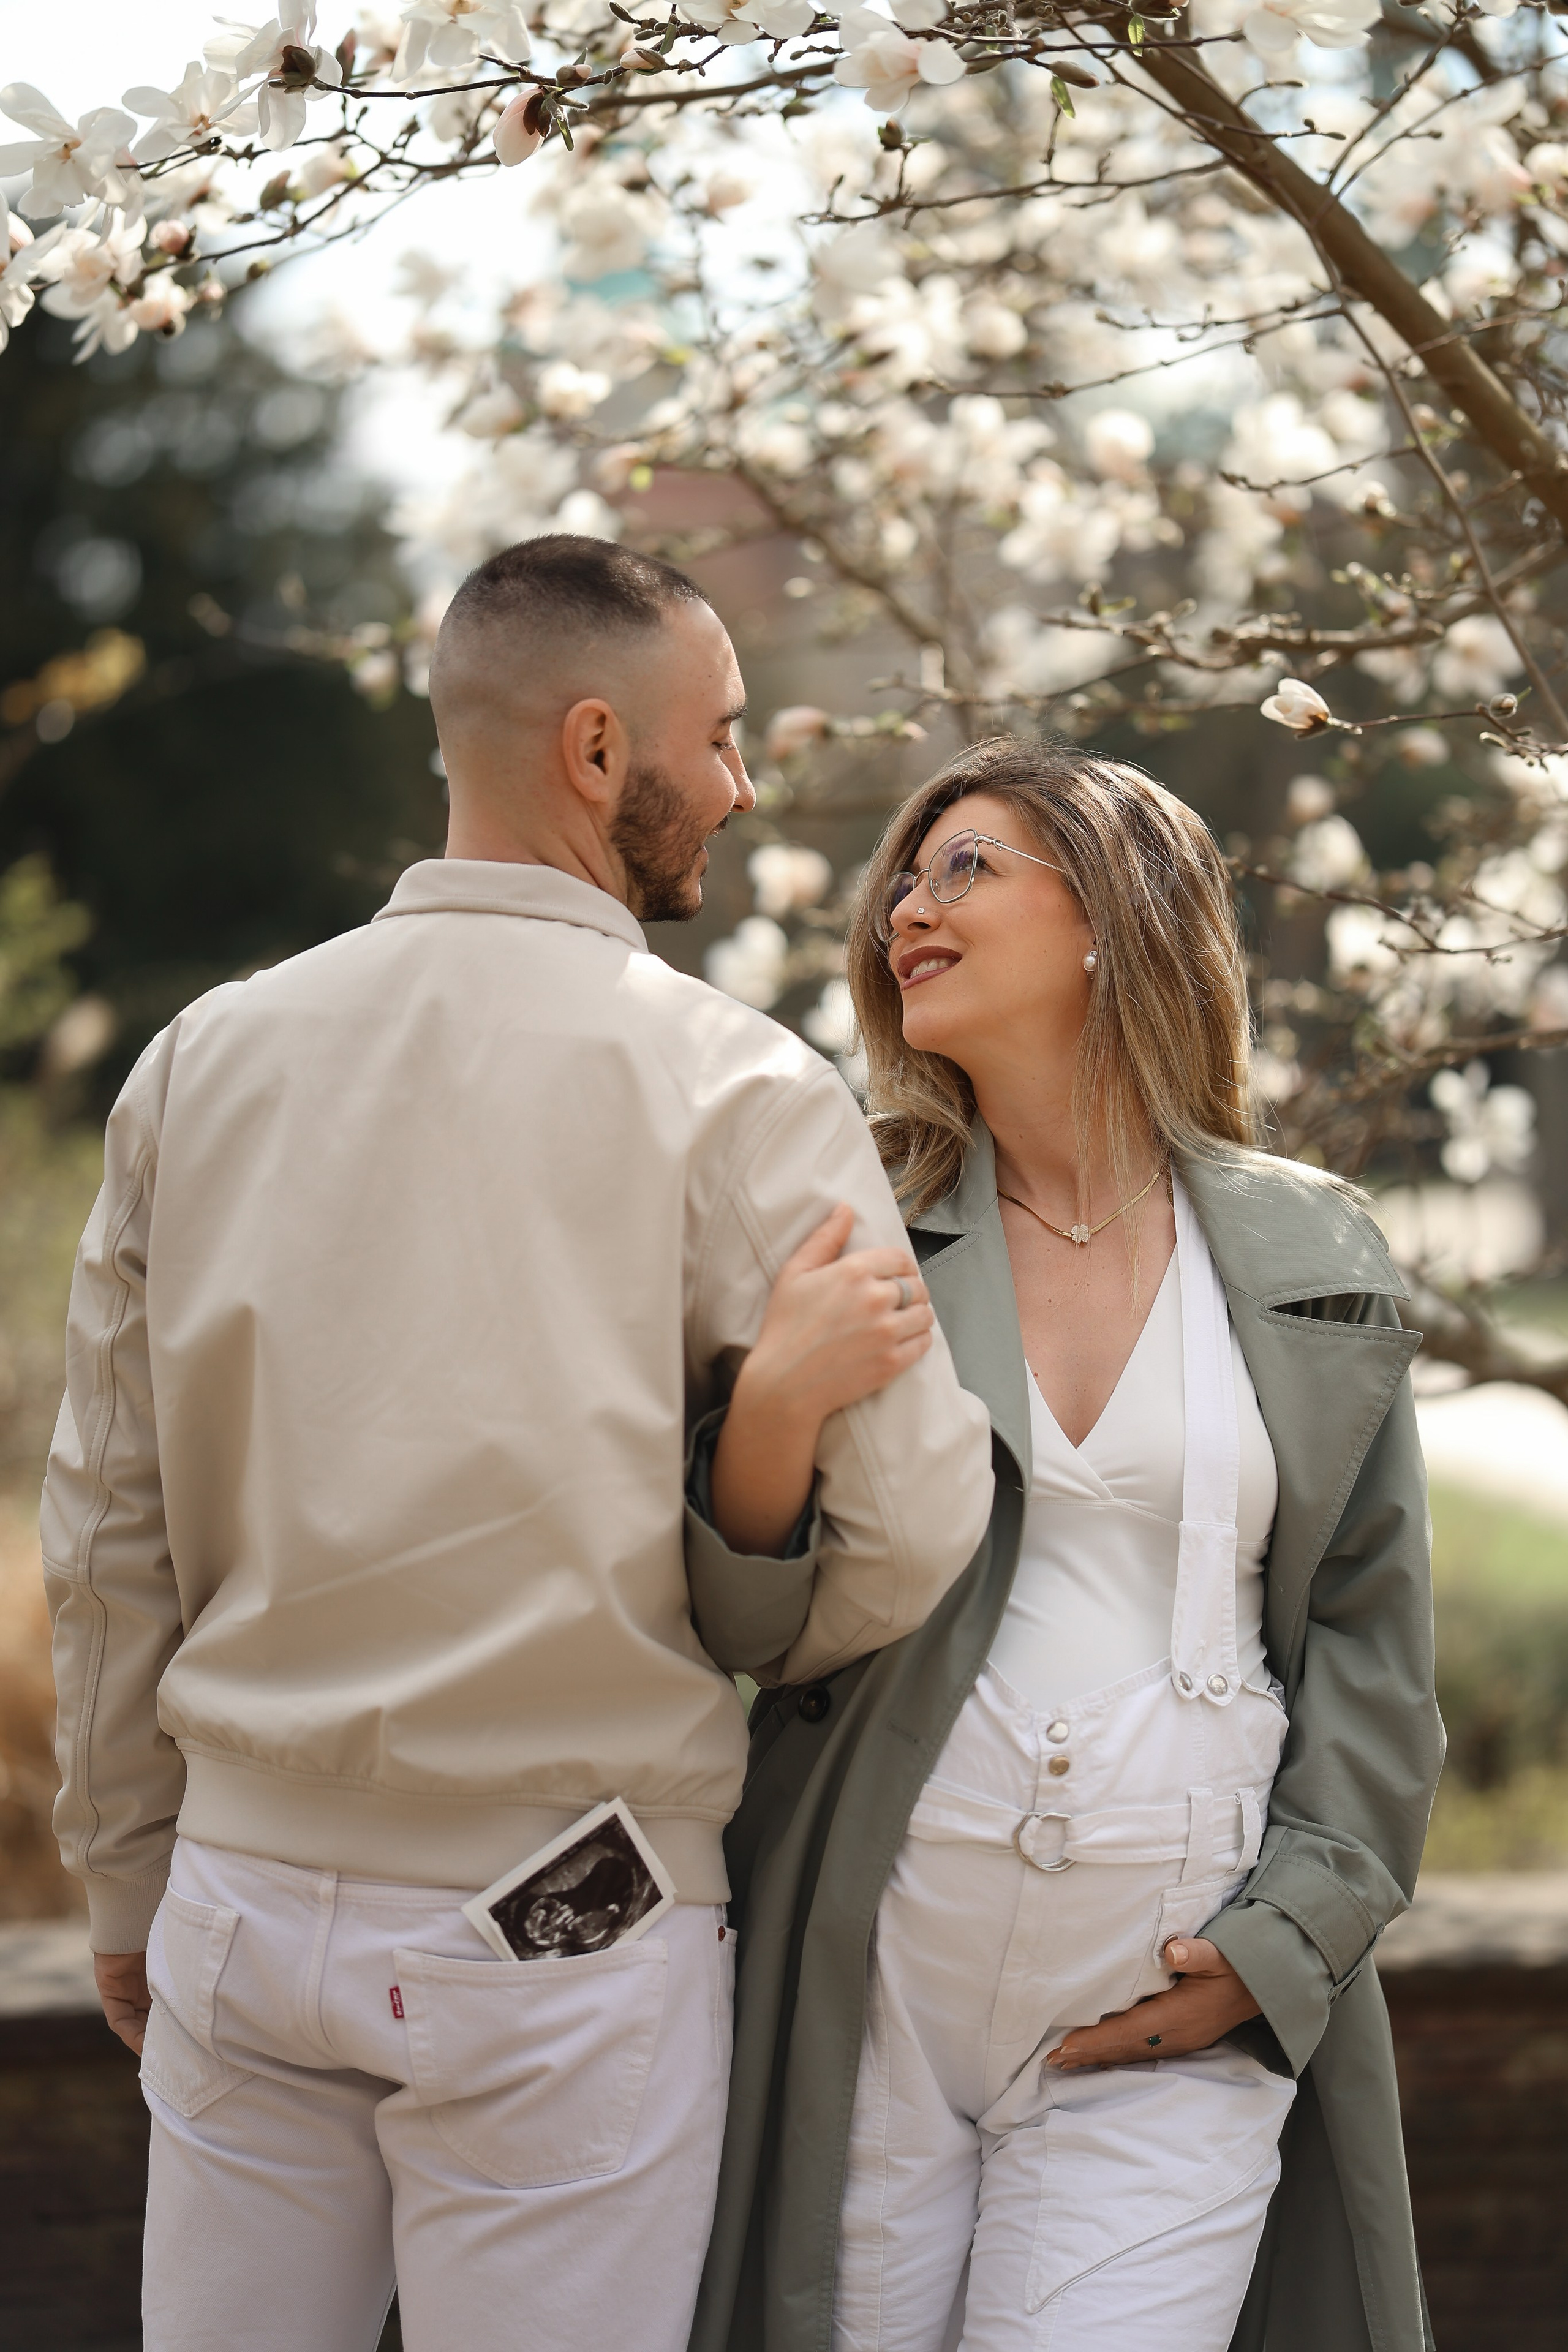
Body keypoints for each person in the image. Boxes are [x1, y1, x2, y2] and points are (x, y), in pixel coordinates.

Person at [41, 535, 994, 2352]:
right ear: (589, 749)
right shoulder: (740, 1087)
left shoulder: (202, 1062)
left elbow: (106, 1521)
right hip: (567, 1921)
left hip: (236, 1906)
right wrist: (752, 1602)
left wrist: (126, 1871)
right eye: (713, 739)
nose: (738, 782)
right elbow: (914, 1527)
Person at [690, 737, 1443, 2352]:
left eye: (966, 867)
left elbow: (1380, 1651)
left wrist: (1280, 1947)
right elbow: (740, 1617)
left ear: (1107, 914)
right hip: (877, 1970)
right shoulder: (849, 1219)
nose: (908, 905)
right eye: (904, 877)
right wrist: (768, 1404)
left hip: (1167, 2003)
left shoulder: (1313, 1244)